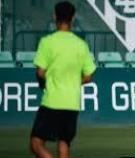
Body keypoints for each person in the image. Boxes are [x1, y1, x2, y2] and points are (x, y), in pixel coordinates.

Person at [30, 1, 96, 158]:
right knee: (64, 143)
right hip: (72, 103)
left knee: (36, 144)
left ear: (54, 16)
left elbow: (40, 72)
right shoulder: (81, 45)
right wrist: (73, 83)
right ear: (73, 18)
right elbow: (88, 76)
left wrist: (45, 83)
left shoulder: (47, 42)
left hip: (52, 101)